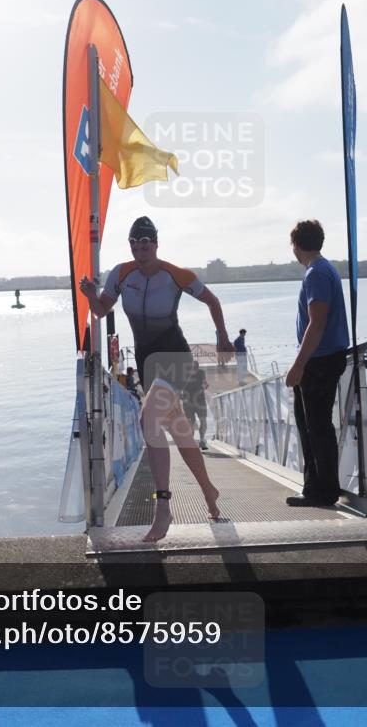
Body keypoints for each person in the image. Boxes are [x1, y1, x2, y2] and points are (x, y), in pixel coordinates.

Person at [79, 216, 232, 541]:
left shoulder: (175, 275)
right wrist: (92, 295)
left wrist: (223, 338)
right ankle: (209, 492)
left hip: (175, 358)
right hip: (150, 363)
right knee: (180, 433)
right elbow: (101, 310)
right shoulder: (121, 274)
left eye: (145, 244)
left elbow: (212, 300)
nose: (139, 250)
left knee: (150, 418)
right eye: (134, 244)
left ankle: (163, 509)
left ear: (156, 244)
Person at [284, 220, 351, 507]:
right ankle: (314, 487)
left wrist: (298, 365)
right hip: (320, 358)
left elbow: (317, 323)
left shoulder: (317, 273)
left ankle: (323, 491)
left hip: (320, 360)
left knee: (317, 427)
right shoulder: (323, 270)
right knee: (309, 424)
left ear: (296, 246)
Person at [182, 363, 209, 450]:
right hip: (188, 402)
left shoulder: (201, 373)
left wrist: (205, 385)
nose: (194, 371)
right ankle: (191, 442)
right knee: (190, 423)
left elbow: (205, 384)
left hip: (200, 401)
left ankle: (201, 440)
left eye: (196, 369)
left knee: (203, 422)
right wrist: (184, 399)